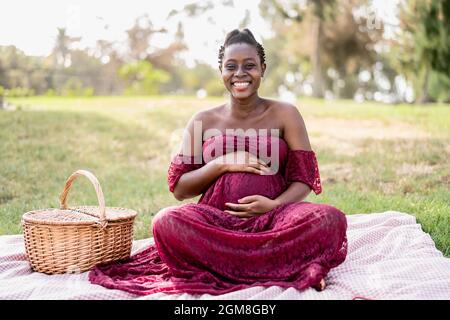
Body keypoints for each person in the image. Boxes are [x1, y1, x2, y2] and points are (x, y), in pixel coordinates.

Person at [89, 29, 348, 295]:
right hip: (216, 221)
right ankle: (280, 266)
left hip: (275, 221)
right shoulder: (203, 120)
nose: (240, 74)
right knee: (165, 222)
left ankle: (229, 267)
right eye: (231, 66)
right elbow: (180, 189)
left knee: (330, 219)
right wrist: (221, 164)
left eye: (249, 66)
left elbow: (303, 179)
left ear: (263, 69)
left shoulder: (285, 114)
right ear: (221, 71)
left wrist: (274, 205)